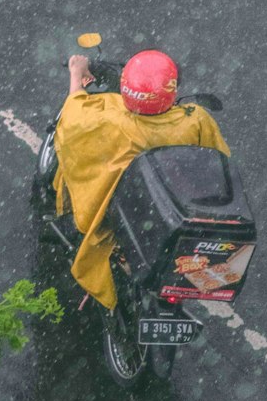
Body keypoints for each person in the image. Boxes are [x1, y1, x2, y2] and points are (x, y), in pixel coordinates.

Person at [53, 48, 230, 311]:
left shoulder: (106, 119)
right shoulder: (196, 121)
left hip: (127, 212)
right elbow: (219, 160)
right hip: (175, 210)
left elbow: (71, 116)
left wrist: (77, 73)